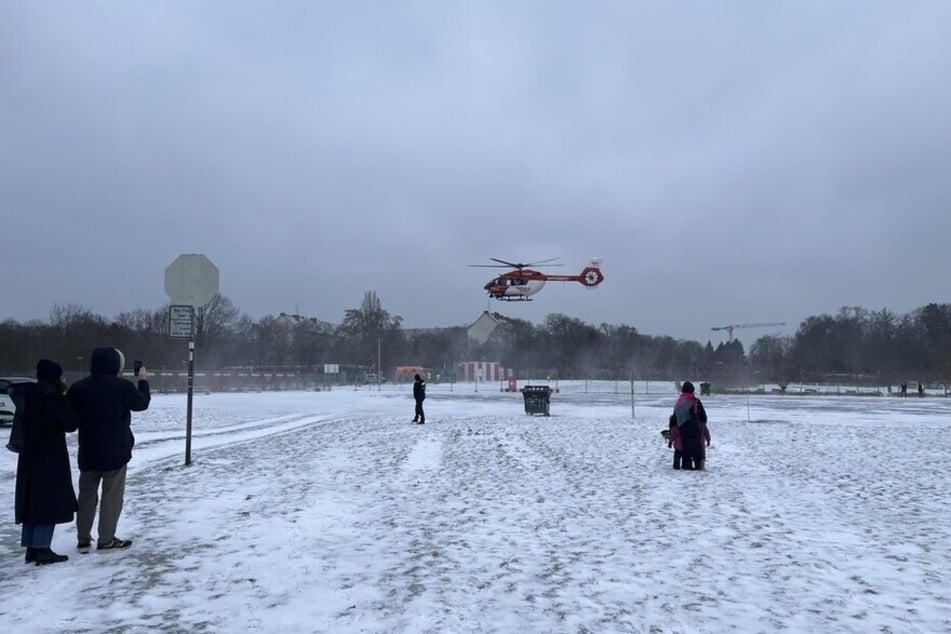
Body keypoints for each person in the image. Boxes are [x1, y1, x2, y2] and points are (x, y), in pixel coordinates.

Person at [67, 348, 150, 553]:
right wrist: (143, 381)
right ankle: (106, 539)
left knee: (86, 496)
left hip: (88, 449)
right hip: (115, 450)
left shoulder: (78, 388)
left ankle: (83, 539)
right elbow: (141, 403)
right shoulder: (122, 387)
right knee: (111, 496)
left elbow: (70, 415)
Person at [14, 359, 80, 565]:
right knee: (47, 501)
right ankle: (42, 548)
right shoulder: (54, 399)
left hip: (28, 456)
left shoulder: (29, 396)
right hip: (50, 457)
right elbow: (71, 423)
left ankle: (31, 547)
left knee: (32, 501)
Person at [672, 381, 707, 471]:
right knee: (696, 448)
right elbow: (703, 416)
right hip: (695, 430)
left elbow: (674, 418)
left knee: (686, 449)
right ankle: (698, 465)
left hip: (683, 430)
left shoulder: (679, 403)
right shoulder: (696, 401)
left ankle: (686, 465)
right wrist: (702, 427)